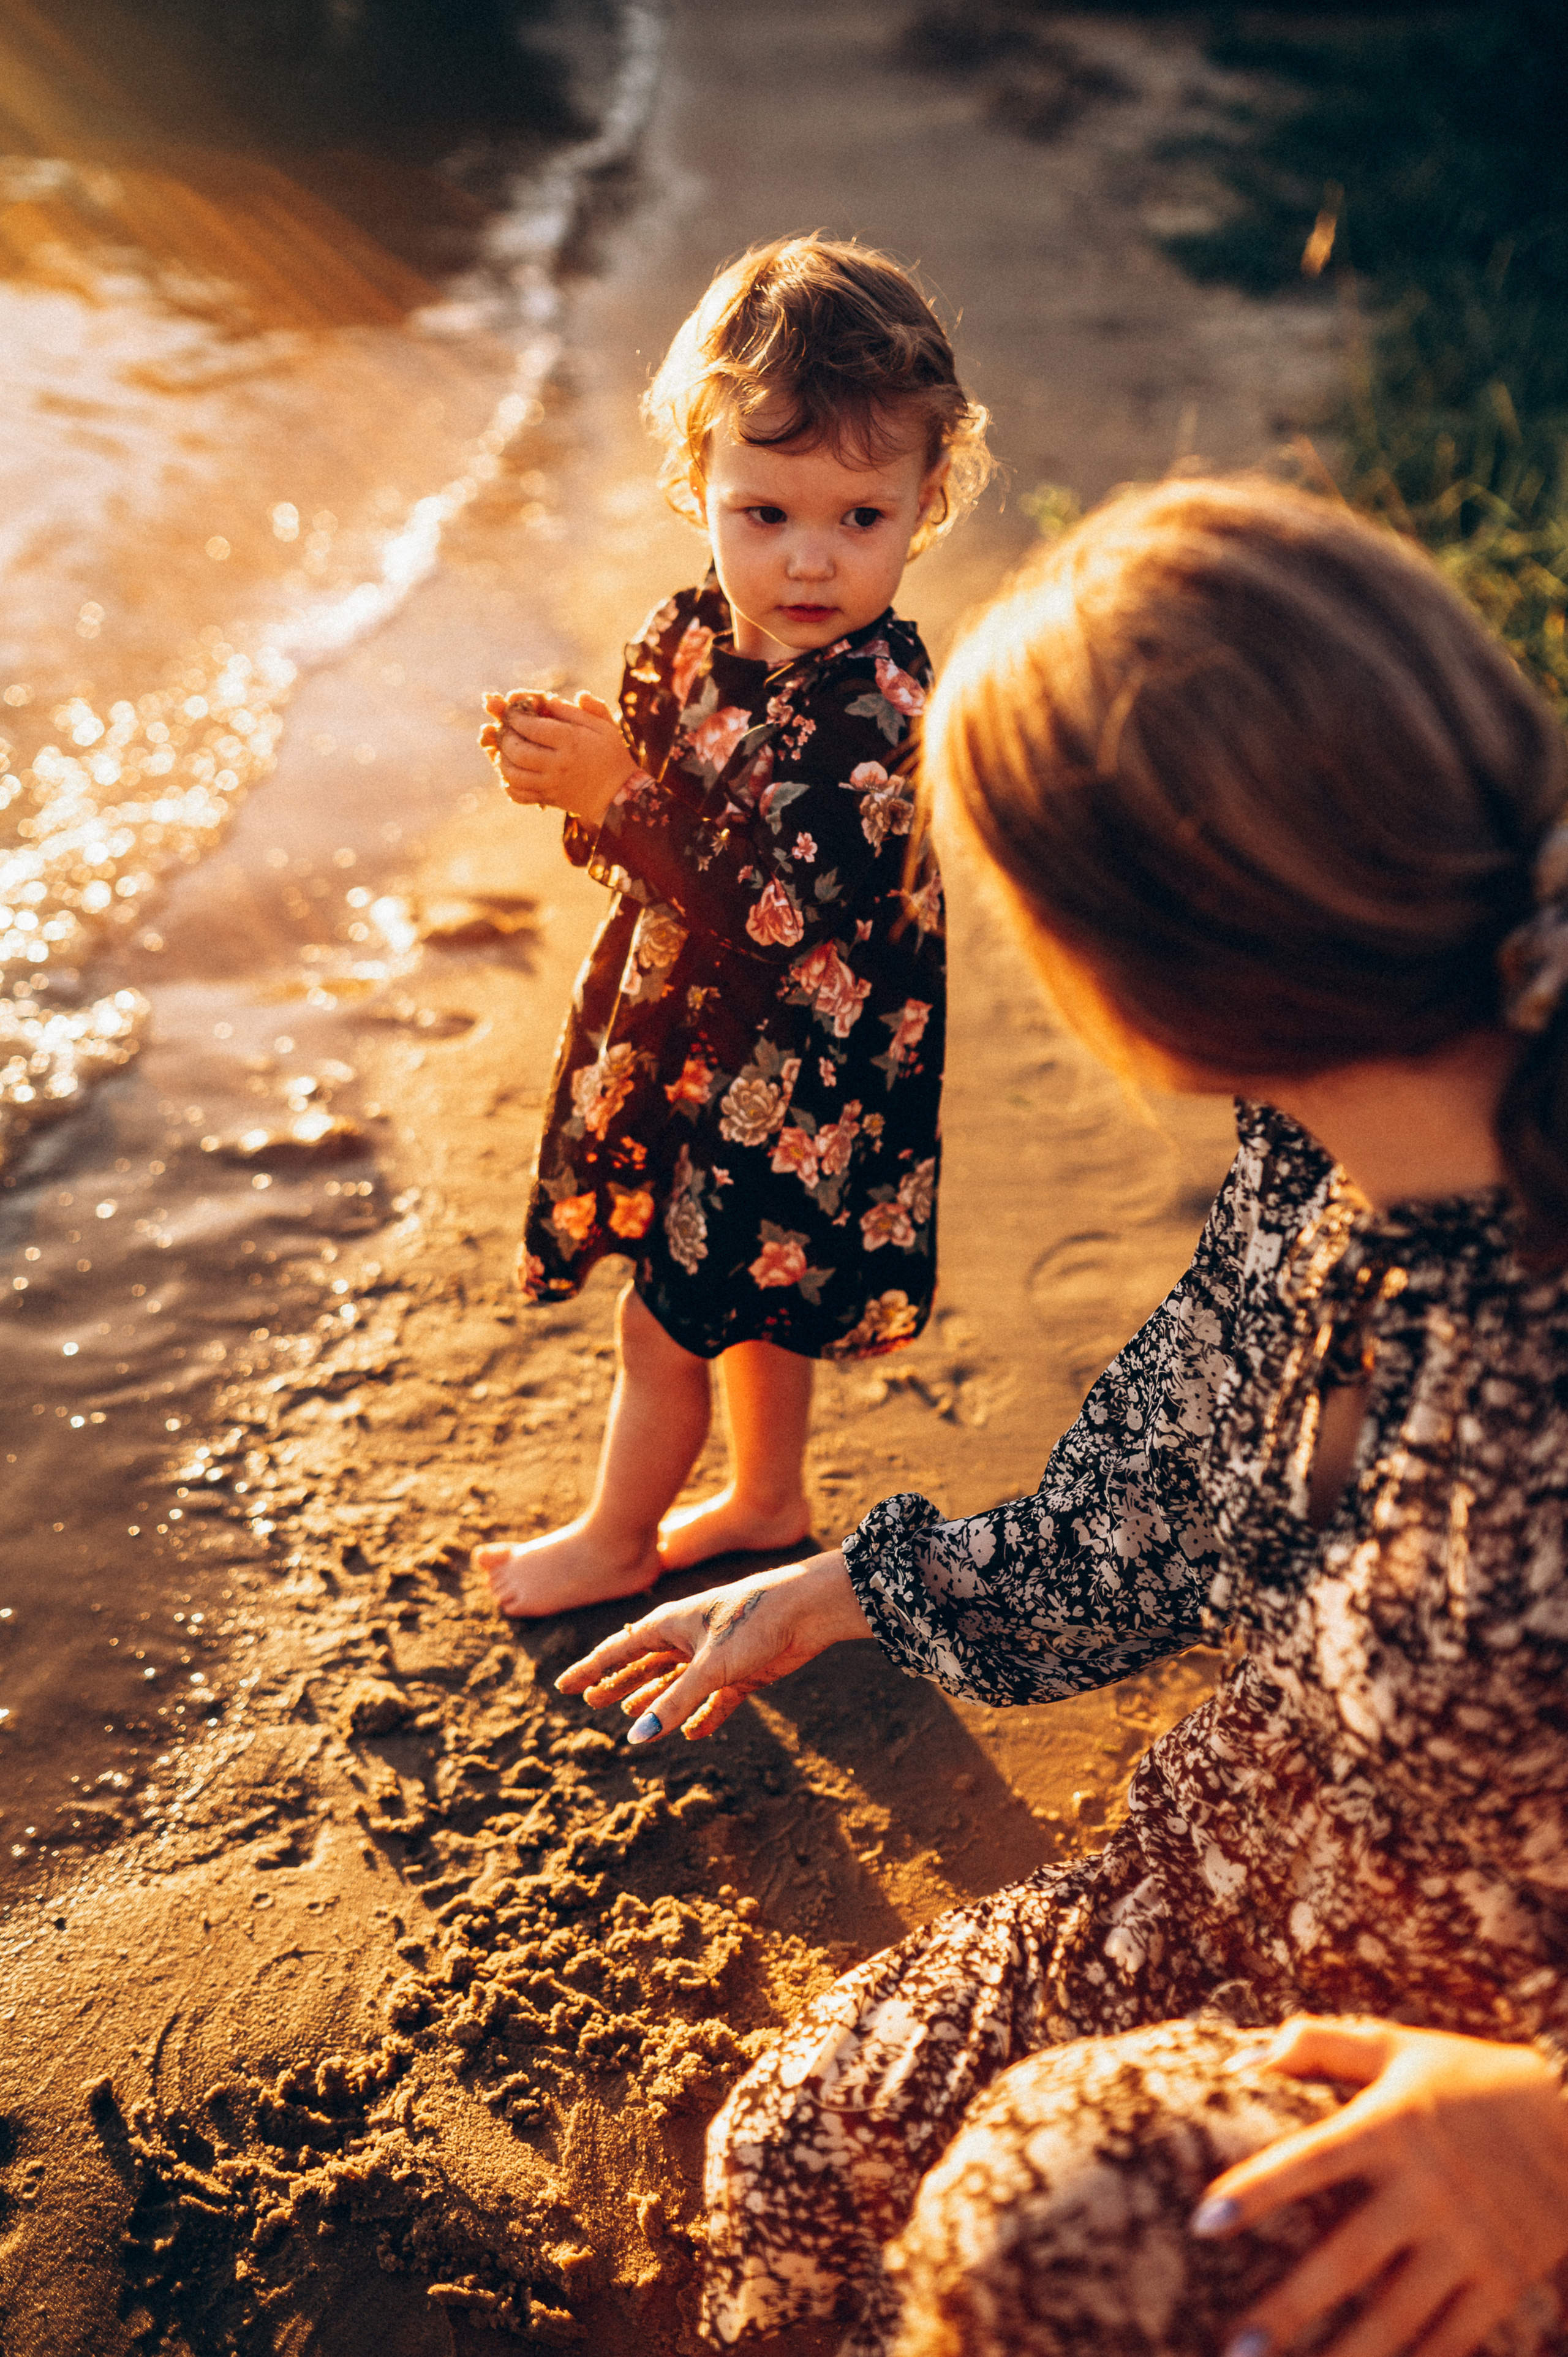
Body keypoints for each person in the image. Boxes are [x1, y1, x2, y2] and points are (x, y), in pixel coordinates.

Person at [556, 479, 1568, 2357]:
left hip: (1494, 2067)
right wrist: (857, 1583)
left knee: (1044, 2222)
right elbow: (1173, 1503)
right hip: (1249, 1872)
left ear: (1130, 990)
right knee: (791, 2162)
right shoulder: (1314, 1149)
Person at [473, 233, 992, 1617]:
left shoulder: (878, 707)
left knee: (671, 1320)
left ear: (922, 501)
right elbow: (641, 851)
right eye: (764, 514)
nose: (810, 562)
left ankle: (614, 1538)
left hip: (798, 1072)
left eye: (858, 521)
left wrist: (626, 794)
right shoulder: (687, 638)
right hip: (690, 1036)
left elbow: (768, 907)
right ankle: (766, 1498)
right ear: (694, 480)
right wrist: (581, 770)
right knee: (753, 1286)